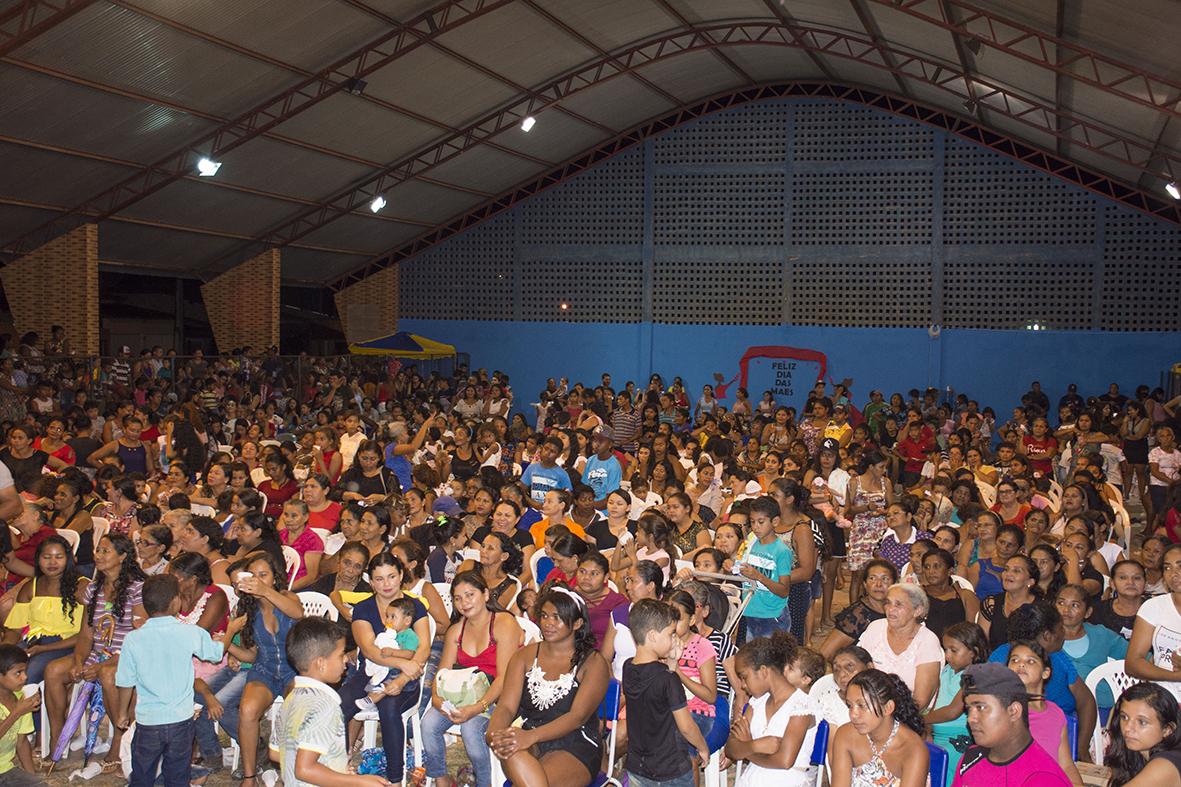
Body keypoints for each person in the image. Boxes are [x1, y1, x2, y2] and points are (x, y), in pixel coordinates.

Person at [487, 586, 609, 787]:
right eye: (544, 616)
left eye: (557, 617)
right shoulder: (524, 656)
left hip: (575, 743)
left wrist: (529, 737)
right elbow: (506, 707)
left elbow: (576, 717)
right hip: (530, 737)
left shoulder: (593, 663)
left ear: (577, 623)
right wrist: (494, 732)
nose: (548, 623)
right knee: (512, 750)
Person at [43, 533, 145, 771]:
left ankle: (118, 742)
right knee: (54, 670)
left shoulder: (137, 588)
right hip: (97, 654)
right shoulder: (94, 589)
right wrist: (79, 661)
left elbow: (141, 637)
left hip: (127, 656)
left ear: (123, 556)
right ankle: (58, 740)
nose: (98, 555)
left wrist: (100, 666)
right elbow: (86, 634)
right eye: (97, 550)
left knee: (108, 674)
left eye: (105, 551)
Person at [113, 573, 223, 787]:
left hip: (148, 722)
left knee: (142, 774)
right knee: (177, 774)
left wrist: (122, 713)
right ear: (176, 601)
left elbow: (125, 681)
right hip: (180, 721)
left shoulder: (133, 639)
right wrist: (231, 631)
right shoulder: (191, 632)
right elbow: (216, 654)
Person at [421, 571, 520, 787]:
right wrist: (437, 700)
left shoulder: (504, 623)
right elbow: (442, 673)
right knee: (428, 723)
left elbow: (505, 677)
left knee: (471, 729)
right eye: (458, 598)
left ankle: (484, 783)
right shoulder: (456, 631)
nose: (464, 603)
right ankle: (441, 779)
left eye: (470, 595)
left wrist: (477, 707)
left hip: (498, 696)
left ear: (485, 594)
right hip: (465, 693)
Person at [268, 616, 392, 787]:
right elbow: (305, 769)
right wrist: (357, 781)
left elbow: (276, 753)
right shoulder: (325, 705)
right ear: (321, 663)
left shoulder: (292, 698)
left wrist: (334, 770)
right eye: (341, 654)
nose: (346, 659)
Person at [342, 552, 431, 786]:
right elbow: (370, 650)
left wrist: (402, 679)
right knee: (339, 704)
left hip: (408, 678)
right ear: (370, 581)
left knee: (389, 708)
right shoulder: (363, 608)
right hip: (370, 673)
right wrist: (403, 663)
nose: (386, 584)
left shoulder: (415, 606)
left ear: (401, 575)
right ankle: (339, 764)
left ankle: (394, 779)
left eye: (391, 576)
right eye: (379, 579)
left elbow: (423, 648)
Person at [218, 551, 305, 785]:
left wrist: (265, 591)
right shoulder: (246, 609)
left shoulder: (288, 597)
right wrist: (228, 646)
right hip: (264, 669)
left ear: (274, 578)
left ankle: (295, 773)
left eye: (264, 575)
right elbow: (251, 654)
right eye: (253, 575)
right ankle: (249, 776)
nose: (258, 580)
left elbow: (298, 613)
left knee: (296, 711)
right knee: (247, 711)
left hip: (294, 668)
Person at [623, 598, 710, 787]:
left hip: (637, 766)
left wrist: (672, 665)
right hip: (670, 770)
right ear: (653, 635)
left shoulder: (627, 667)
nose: (675, 639)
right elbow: (687, 727)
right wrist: (702, 747)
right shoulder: (668, 680)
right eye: (671, 634)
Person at [950, 662, 1072, 787]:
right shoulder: (972, 758)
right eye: (969, 709)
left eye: (980, 707)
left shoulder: (1043, 779)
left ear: (1014, 711)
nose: (971, 718)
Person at [725, 630, 817, 787]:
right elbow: (730, 749)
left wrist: (746, 749)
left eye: (744, 677)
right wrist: (754, 745)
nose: (742, 685)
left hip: (787, 780)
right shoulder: (756, 703)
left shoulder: (802, 705)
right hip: (752, 778)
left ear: (763, 671)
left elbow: (784, 761)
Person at [2, 536, 86, 684]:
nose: (52, 562)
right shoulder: (31, 587)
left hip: (66, 644)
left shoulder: (80, 587)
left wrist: (44, 648)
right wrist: (5, 650)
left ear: (68, 559)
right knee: (6, 669)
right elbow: (15, 629)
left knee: (27, 675)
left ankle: (26, 706)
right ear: (38, 559)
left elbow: (86, 635)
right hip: (33, 642)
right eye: (46, 557)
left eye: (58, 557)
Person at [829, 668, 929, 787]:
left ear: (888, 708)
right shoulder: (845, 734)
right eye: (850, 705)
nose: (853, 714)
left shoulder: (913, 750)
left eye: (862, 705)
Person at [1004, 640, 1084, 785]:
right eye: (1014, 660)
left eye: (1031, 661)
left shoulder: (1056, 713)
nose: (1021, 664)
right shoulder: (1003, 711)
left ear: (1045, 673)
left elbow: (1066, 765)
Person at [855, 583, 942, 710]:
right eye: (888, 603)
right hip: (868, 706)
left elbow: (920, 702)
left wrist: (883, 716)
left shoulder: (927, 641)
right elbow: (859, 668)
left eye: (898, 604)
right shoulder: (876, 627)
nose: (890, 609)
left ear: (917, 611)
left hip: (907, 713)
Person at [927, 623, 989, 787]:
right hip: (937, 734)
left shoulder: (975, 674)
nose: (947, 655)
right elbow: (936, 702)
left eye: (954, 650)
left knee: (947, 773)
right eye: (945, 649)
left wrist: (923, 718)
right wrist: (927, 728)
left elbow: (953, 711)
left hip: (959, 738)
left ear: (973, 652)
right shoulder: (947, 670)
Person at [1127, 542, 1181, 702]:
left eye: (1180, 565)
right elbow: (1132, 664)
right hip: (1161, 697)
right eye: (1167, 567)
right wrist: (1175, 677)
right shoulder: (1154, 606)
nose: (1174, 573)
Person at [1104, 682, 1181, 787]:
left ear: (1167, 729)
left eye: (1142, 722)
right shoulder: (1138, 754)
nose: (1127, 728)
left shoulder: (1165, 765)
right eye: (1124, 717)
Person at [738, 496, 793, 641]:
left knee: (772, 660)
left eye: (761, 522)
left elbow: (784, 590)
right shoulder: (751, 543)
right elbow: (740, 567)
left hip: (772, 616)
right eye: (752, 522)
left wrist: (759, 576)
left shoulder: (781, 551)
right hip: (750, 611)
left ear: (775, 521)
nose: (755, 526)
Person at [0, 644, 43, 786]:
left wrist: (32, 780)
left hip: (5, 770)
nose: (25, 677)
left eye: (25, 671)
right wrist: (17, 713)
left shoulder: (21, 698)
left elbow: (22, 742)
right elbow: (17, 713)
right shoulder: (20, 707)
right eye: (18, 673)